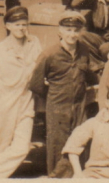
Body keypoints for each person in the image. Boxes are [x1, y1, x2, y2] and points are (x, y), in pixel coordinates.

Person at [29, 10, 99, 177]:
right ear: (60, 31)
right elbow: (35, 84)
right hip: (57, 108)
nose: (72, 34)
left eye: (76, 30)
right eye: (68, 30)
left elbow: (89, 75)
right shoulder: (50, 53)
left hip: (79, 107)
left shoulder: (84, 51)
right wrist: (54, 95)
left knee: (79, 145)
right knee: (57, 148)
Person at [0, 7, 42, 178]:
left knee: (21, 147)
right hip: (2, 103)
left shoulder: (34, 43)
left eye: (24, 24)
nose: (22, 28)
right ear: (8, 26)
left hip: (26, 101)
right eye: (17, 24)